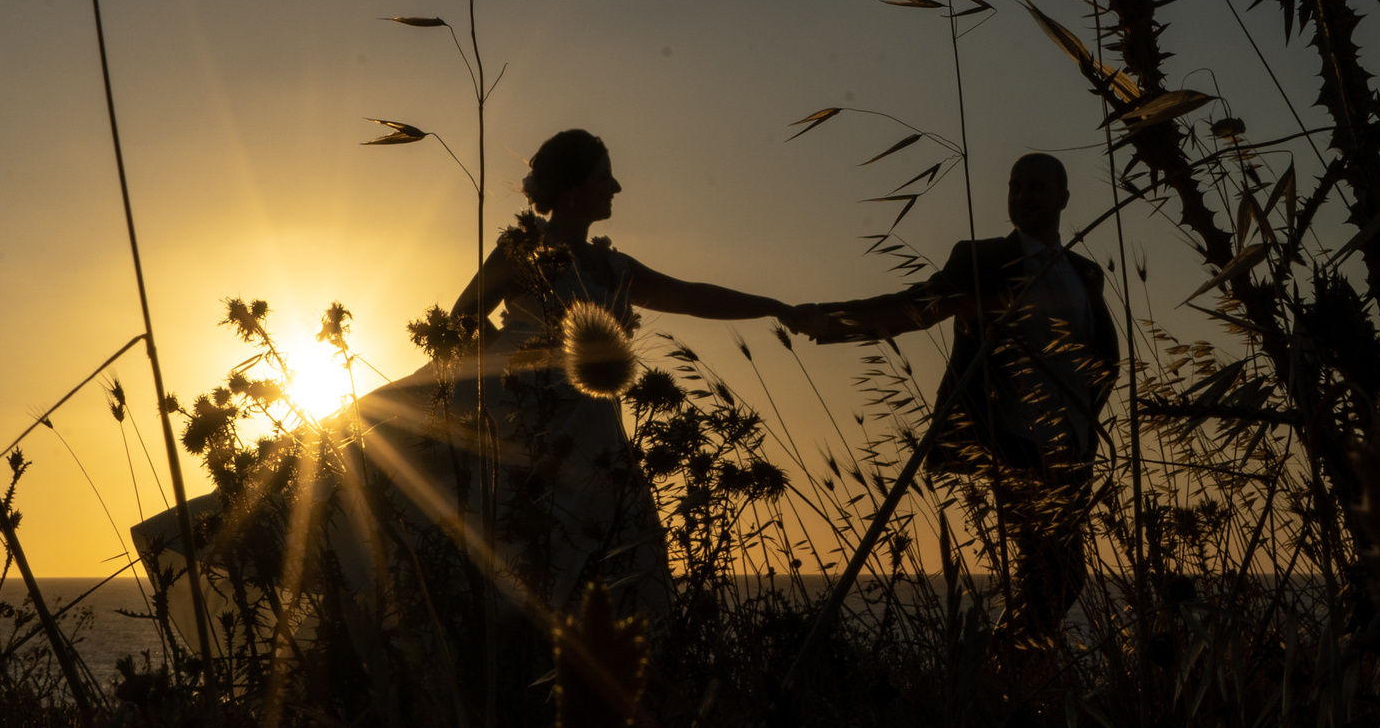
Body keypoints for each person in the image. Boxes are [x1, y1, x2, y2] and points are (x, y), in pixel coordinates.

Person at [331, 129, 796, 637]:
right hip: (523, 410)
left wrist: (777, 307)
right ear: (573, 190)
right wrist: (508, 373)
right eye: (604, 176)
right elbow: (464, 316)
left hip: (591, 419)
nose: (616, 186)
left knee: (607, 532)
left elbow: (692, 297)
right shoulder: (522, 247)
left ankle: (597, 649)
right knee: (507, 523)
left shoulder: (611, 265)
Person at [788, 152, 1118, 647]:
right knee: (1050, 572)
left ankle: (1002, 671)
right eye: (1016, 186)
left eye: (1036, 187)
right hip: (1014, 444)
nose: (1023, 196)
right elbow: (915, 308)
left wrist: (1084, 421)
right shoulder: (982, 259)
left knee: (1063, 578)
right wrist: (829, 319)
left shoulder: (1086, 273)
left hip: (1070, 451)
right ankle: (1006, 674)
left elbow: (1103, 357)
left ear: (1063, 199)